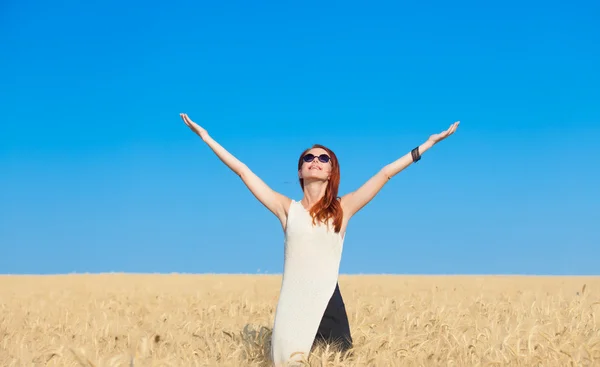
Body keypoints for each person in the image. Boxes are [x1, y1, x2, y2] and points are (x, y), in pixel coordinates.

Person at [179, 113, 459, 366]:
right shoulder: (287, 209)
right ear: (300, 171)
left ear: (330, 172)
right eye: (308, 158)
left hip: (328, 304)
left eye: (323, 158)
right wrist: (206, 137)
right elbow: (243, 171)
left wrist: (427, 144)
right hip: (292, 307)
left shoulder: (343, 209)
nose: (315, 161)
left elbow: (385, 173)